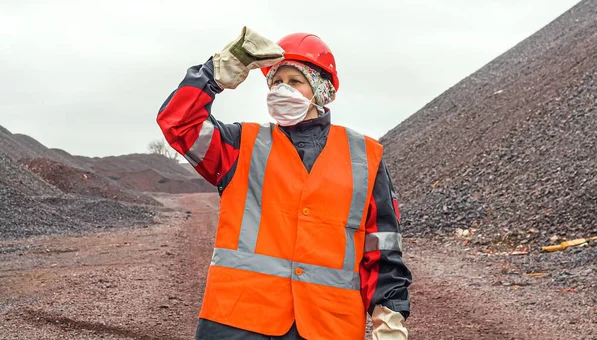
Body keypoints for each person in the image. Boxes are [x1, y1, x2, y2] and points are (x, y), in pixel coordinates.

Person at [157, 27, 412, 340]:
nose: (282, 89)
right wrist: (214, 74)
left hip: (328, 327)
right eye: (276, 81)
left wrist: (389, 317)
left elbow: (382, 248)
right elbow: (179, 123)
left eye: (295, 81)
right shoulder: (239, 146)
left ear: (321, 91)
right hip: (238, 324)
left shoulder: (365, 157)